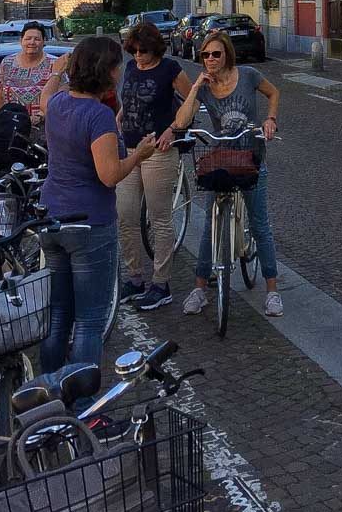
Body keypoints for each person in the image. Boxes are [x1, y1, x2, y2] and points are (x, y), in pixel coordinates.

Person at [38, 36, 157, 373]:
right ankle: (83, 402)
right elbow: (109, 175)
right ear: (107, 71)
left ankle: (49, 390)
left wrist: (56, 72)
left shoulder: (59, 104)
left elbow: (44, 97)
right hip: (88, 222)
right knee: (89, 321)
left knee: (58, 316)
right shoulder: (98, 116)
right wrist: (138, 155)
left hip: (52, 215)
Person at [173, 31, 283, 317]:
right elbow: (182, 122)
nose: (210, 59)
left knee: (260, 225)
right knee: (210, 224)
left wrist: (270, 119)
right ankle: (199, 289)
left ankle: (272, 291)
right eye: (205, 55)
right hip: (221, 159)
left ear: (227, 55)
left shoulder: (247, 75)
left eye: (216, 54)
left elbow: (273, 93)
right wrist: (196, 87)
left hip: (252, 158)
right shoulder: (205, 86)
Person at [116, 21, 192, 310]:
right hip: (130, 148)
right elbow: (131, 96)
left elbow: (190, 101)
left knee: (159, 218)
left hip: (159, 151)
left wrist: (173, 129)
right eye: (133, 50)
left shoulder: (170, 68)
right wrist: (122, 113)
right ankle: (135, 277)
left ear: (155, 48)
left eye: (143, 51)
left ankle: (161, 283)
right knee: (126, 215)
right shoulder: (133, 67)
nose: (137, 55)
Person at [0, 22, 54, 130]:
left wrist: (40, 116)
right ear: (21, 41)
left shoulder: (54, 64)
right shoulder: (7, 63)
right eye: (28, 38)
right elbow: (0, 96)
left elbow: (62, 99)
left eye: (37, 39)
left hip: (44, 131)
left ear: (43, 42)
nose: (32, 42)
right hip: (11, 129)